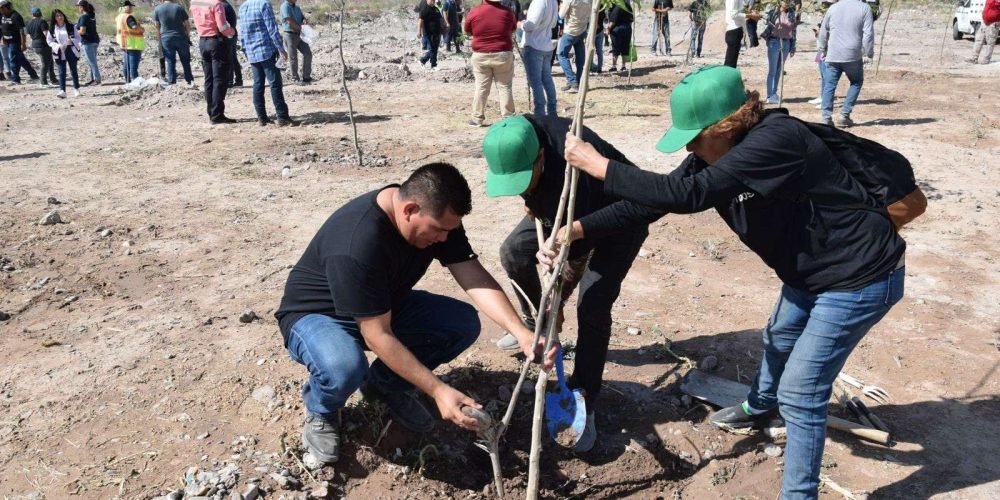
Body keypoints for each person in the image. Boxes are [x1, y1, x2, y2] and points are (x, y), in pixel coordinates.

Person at [564, 64, 906, 500]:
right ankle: (761, 406)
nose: (687, 146)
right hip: (811, 274)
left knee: (802, 391)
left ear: (723, 127)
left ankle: (798, 495)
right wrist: (576, 230)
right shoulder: (717, 156)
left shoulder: (776, 140)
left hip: (859, 277)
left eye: (693, 135)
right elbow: (650, 204)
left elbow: (689, 197)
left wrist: (600, 166)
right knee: (779, 336)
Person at [275, 163, 553, 465]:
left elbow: (471, 274)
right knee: (343, 368)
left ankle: (384, 385)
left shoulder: (438, 218)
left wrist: (522, 331)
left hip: (382, 305)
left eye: (450, 230)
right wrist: (437, 390)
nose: (444, 239)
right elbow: (377, 334)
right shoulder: (358, 242)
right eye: (438, 230)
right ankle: (321, 410)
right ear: (409, 209)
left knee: (460, 323)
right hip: (317, 317)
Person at [484, 115, 667, 452]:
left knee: (592, 306)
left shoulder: (574, 166)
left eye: (525, 179)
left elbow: (575, 256)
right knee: (513, 252)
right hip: (564, 221)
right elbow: (537, 204)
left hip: (620, 219)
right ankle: (533, 323)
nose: (522, 188)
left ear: (540, 157)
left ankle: (585, 395)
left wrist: (557, 294)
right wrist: (547, 310)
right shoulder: (517, 137)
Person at [239, 0, 297, 127]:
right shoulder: (264, 4)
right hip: (266, 50)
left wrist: (245, 50)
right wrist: (282, 49)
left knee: (258, 85)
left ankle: (261, 118)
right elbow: (272, 30)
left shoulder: (243, 7)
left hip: (252, 52)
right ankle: (282, 117)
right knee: (275, 83)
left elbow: (242, 32)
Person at [817, 0, 874, 127]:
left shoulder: (833, 8)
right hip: (852, 54)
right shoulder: (865, 8)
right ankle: (844, 114)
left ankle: (826, 118)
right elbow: (868, 34)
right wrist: (868, 53)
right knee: (856, 82)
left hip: (833, 53)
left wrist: (822, 49)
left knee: (829, 85)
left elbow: (823, 31)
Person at [464, 0, 516, 127]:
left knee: (481, 87)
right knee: (504, 87)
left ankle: (477, 118)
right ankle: (508, 117)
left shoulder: (474, 11)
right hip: (502, 54)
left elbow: (467, 31)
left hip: (481, 54)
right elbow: (513, 29)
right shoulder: (507, 12)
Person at [192, 0, 236, 124]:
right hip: (216, 42)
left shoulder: (194, 3)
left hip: (203, 41)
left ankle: (211, 112)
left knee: (209, 79)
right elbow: (222, 27)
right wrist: (231, 32)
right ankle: (217, 114)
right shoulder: (216, 3)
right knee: (219, 79)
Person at [520, 0, 558, 117]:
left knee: (536, 81)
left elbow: (531, 25)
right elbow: (553, 24)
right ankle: (552, 111)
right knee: (547, 78)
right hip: (546, 45)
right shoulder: (553, 2)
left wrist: (521, 24)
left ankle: (540, 113)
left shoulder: (539, 2)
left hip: (534, 45)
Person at [153, 0, 195, 86]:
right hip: (180, 37)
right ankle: (189, 80)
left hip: (166, 38)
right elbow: (187, 24)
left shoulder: (157, 9)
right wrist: (188, 36)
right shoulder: (179, 8)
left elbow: (157, 26)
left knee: (170, 61)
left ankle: (172, 82)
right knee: (185, 60)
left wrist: (159, 38)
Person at [762, 0, 796, 104]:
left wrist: (793, 46)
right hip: (775, 41)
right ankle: (769, 95)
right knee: (772, 70)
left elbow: (794, 30)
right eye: (784, 1)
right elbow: (768, 24)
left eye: (788, 1)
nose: (786, 3)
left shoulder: (791, 12)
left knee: (779, 69)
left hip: (786, 42)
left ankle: (775, 93)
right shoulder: (773, 12)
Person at [0, 0, 40, 85]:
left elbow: (22, 31)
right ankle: (33, 75)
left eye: (1, 8)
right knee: (21, 59)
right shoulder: (2, 15)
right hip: (7, 41)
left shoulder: (16, 16)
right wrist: (3, 38)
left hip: (15, 41)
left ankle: (16, 79)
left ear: (5, 7)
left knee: (13, 59)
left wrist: (23, 43)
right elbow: (2, 27)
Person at [556, 0, 591, 93]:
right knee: (580, 59)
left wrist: (562, 5)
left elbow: (560, 15)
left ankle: (572, 81)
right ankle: (580, 82)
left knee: (561, 55)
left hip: (570, 31)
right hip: (582, 30)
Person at [47, 8, 81, 98]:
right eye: (57, 16)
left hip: (71, 50)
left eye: (61, 15)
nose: (60, 17)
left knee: (73, 70)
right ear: (54, 18)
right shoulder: (52, 29)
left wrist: (72, 41)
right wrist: (57, 46)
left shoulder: (71, 26)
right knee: (61, 71)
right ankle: (62, 91)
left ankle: (76, 89)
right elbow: (49, 41)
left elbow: (78, 38)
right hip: (59, 51)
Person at [280, 0, 311, 83]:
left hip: (299, 34)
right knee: (293, 57)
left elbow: (302, 18)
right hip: (290, 34)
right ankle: (295, 78)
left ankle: (306, 77)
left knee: (308, 53)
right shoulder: (285, 6)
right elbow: (290, 22)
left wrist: (304, 20)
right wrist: (302, 28)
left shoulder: (297, 7)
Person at [26, 7, 57, 87]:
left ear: (32, 14)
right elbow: (46, 34)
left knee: (49, 61)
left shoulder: (29, 23)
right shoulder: (42, 22)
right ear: (40, 13)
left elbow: (29, 35)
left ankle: (53, 79)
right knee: (45, 63)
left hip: (35, 45)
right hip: (43, 45)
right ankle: (43, 81)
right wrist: (54, 41)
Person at [115, 1, 144, 83]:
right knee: (133, 67)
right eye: (130, 7)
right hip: (133, 44)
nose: (132, 8)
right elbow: (134, 27)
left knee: (126, 66)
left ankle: (127, 82)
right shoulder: (129, 17)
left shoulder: (119, 17)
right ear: (127, 7)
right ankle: (135, 83)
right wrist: (141, 29)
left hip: (124, 43)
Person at [75, 0, 100, 86]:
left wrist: (75, 32)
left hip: (87, 41)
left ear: (82, 7)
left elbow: (82, 31)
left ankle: (96, 79)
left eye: (79, 6)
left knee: (91, 62)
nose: (78, 8)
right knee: (91, 61)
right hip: (95, 40)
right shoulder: (92, 15)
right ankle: (93, 78)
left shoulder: (83, 17)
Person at [417, 0, 447, 69]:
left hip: (437, 32)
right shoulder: (425, 9)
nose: (434, 1)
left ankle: (423, 60)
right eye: (433, 0)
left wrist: (443, 28)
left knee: (435, 49)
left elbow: (440, 19)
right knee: (432, 49)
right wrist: (419, 31)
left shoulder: (435, 9)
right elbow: (420, 21)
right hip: (429, 33)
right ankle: (433, 65)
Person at [220, 0, 243, 86]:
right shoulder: (226, 5)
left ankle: (230, 81)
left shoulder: (222, 6)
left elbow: (223, 23)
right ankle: (238, 80)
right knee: (233, 58)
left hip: (229, 35)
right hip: (232, 34)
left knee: (229, 58)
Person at [607, 1, 633, 72]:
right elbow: (631, 19)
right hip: (627, 28)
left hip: (617, 29)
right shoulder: (628, 5)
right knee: (625, 47)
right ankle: (623, 66)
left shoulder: (617, 6)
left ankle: (614, 66)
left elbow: (613, 21)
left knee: (615, 48)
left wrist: (608, 30)